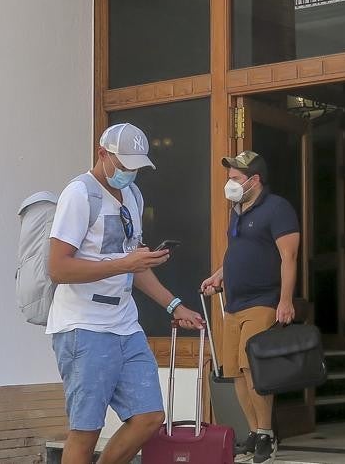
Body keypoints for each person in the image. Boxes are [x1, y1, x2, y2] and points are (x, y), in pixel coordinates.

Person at [47, 123, 205, 464]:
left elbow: (134, 266)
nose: (130, 174)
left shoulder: (133, 196)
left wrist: (173, 304)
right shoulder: (79, 194)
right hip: (83, 326)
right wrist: (124, 263)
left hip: (125, 325)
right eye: (124, 166)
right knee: (86, 430)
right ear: (103, 154)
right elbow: (58, 268)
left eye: (136, 168)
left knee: (149, 417)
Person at [201, 150, 300, 464]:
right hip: (233, 304)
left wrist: (285, 300)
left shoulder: (277, 209)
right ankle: (256, 432)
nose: (229, 183)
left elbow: (289, 257)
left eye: (235, 178)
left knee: (252, 369)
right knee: (235, 372)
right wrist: (218, 276)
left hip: (263, 302)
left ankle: (268, 435)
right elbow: (237, 253)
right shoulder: (237, 210)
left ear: (254, 180)